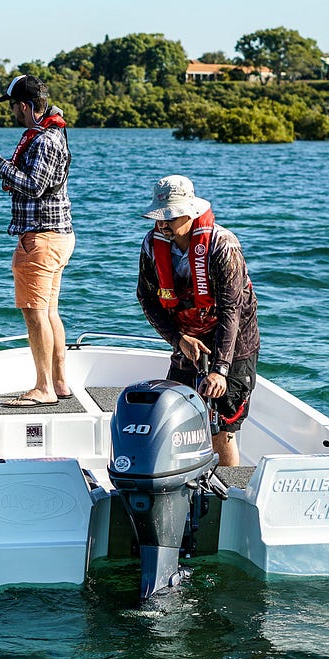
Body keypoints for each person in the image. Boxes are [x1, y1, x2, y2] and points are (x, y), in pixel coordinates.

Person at [135, 175, 259, 466]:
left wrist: (220, 370)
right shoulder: (152, 245)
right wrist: (178, 340)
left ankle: (227, 495)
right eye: (160, 217)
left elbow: (232, 310)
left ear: (190, 212)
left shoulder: (222, 246)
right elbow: (147, 298)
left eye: (170, 217)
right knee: (175, 414)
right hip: (188, 339)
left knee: (222, 428)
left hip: (233, 343)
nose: (163, 224)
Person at [0, 75, 74, 407]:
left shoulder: (42, 141)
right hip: (58, 238)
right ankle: (58, 382)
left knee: (35, 314)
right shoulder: (54, 134)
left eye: (13, 105)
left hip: (41, 241)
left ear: (24, 106)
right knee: (50, 312)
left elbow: (34, 186)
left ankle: (43, 388)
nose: (12, 111)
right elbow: (34, 181)